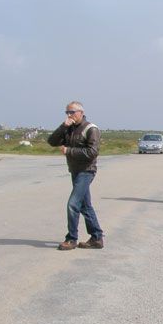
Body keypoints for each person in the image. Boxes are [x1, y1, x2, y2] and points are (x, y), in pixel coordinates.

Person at [47, 100, 105, 250]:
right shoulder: (69, 129)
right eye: (67, 112)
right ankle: (97, 237)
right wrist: (63, 126)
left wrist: (69, 151)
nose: (69, 115)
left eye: (72, 112)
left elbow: (92, 152)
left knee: (73, 204)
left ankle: (71, 239)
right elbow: (52, 141)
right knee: (85, 206)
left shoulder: (91, 129)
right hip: (75, 170)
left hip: (86, 171)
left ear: (81, 112)